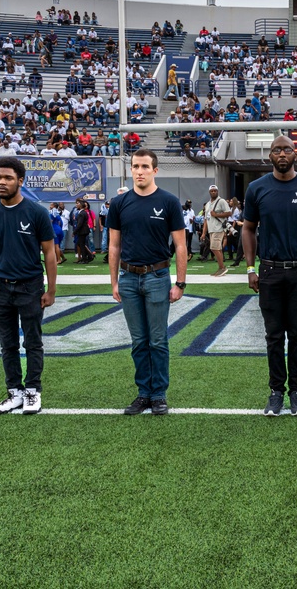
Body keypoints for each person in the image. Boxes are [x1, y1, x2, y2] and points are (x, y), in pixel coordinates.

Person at [242, 135, 297, 416]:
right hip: (269, 270)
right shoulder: (257, 188)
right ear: (269, 156)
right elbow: (248, 228)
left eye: (287, 149)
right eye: (276, 150)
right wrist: (250, 268)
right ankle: (275, 391)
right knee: (273, 336)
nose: (282, 154)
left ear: (296, 154)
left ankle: (296, 390)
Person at [108, 149, 187, 415]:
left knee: (158, 340)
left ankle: (159, 394)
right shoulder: (119, 204)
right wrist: (114, 282)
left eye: (144, 166)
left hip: (157, 277)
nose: (139, 171)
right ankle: (143, 393)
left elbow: (180, 245)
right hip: (128, 278)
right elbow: (114, 246)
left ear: (155, 170)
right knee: (138, 341)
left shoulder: (168, 201)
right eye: (135, 166)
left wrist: (180, 283)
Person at [0, 157, 58, 415]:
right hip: (1, 288)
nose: (2, 182)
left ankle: (33, 391)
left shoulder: (36, 212)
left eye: (8, 178)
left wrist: (51, 289)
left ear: (20, 181)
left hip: (30, 286)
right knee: (8, 344)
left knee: (33, 342)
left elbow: (48, 253)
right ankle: (14, 392)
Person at [201, 184, 231, 276]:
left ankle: (222, 267)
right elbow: (206, 219)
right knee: (217, 249)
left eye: (215, 190)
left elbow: (229, 213)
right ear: (209, 192)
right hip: (211, 229)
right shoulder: (208, 204)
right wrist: (203, 232)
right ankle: (221, 267)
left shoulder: (221, 201)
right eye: (212, 191)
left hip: (219, 228)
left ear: (217, 191)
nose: (213, 192)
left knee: (214, 248)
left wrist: (216, 215)